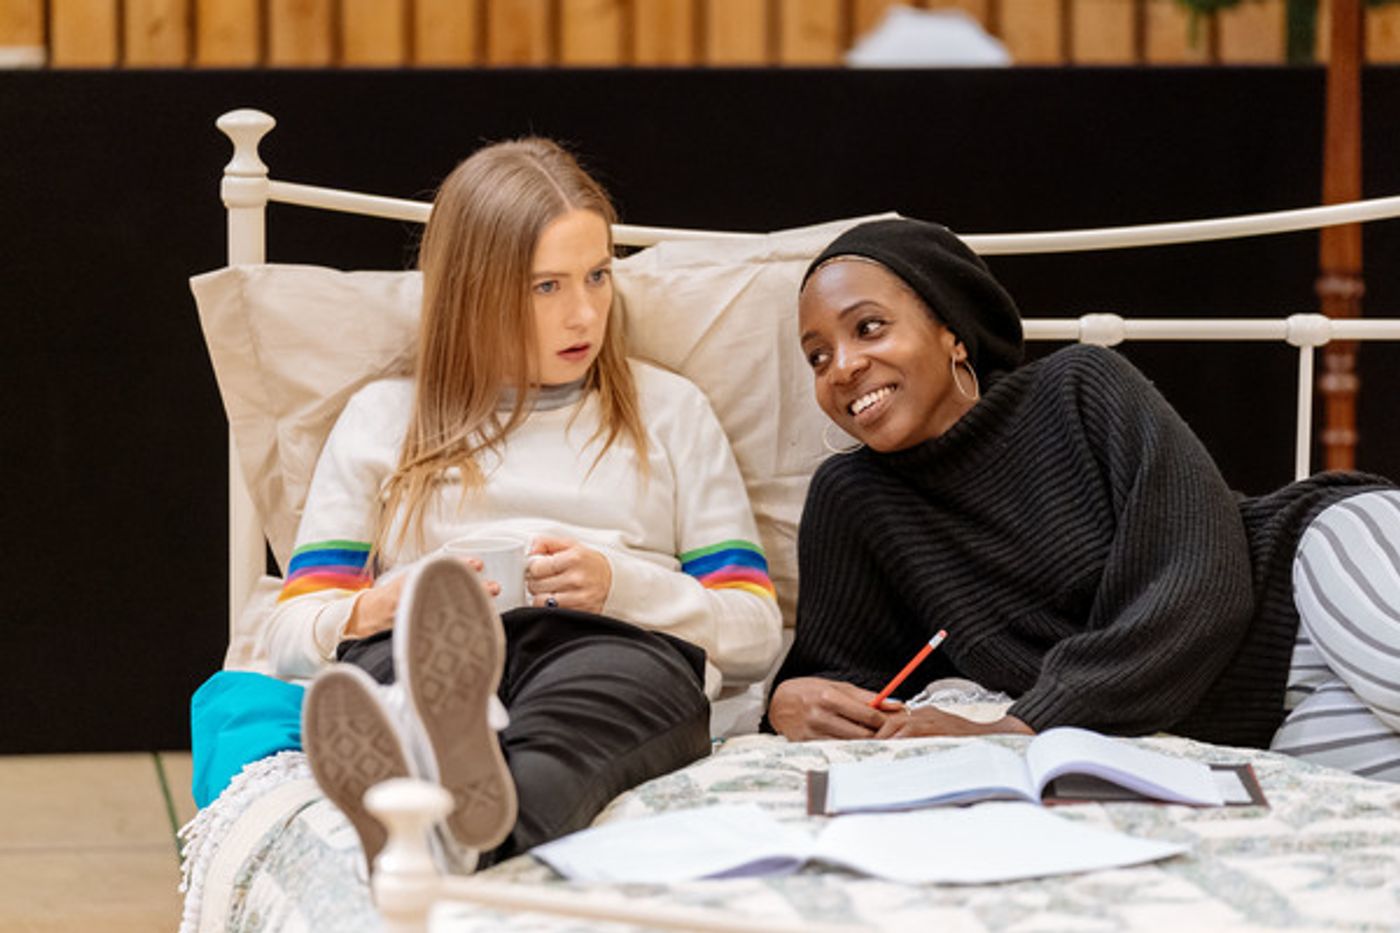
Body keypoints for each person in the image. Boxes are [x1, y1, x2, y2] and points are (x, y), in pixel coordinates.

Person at [268, 137, 781, 871]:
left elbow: (756, 629)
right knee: (421, 682)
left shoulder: (671, 411)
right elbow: (286, 629)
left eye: (598, 276)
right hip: (425, 648)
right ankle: (444, 768)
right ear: (473, 292)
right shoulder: (384, 418)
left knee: (571, 735)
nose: (584, 314)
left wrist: (619, 585)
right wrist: (376, 607)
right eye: (547, 287)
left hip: (615, 644)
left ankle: (439, 809)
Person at [766, 217, 1400, 783]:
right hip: (1261, 718)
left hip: (1307, 571)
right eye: (818, 357)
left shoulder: (1076, 388)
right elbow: (848, 682)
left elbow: (1201, 576)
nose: (842, 367)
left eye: (868, 328)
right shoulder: (853, 501)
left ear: (951, 333)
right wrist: (788, 699)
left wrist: (1027, 723)